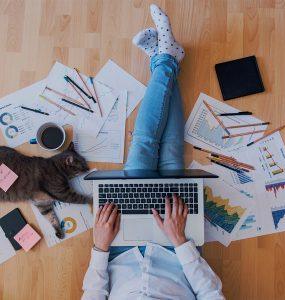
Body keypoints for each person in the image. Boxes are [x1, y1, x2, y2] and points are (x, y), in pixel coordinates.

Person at [82, 4, 224, 300]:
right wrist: (180, 241)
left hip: (120, 248)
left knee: (145, 145)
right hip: (176, 250)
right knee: (170, 153)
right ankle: (165, 60)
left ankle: (166, 59)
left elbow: (94, 293)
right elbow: (210, 293)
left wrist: (100, 247)